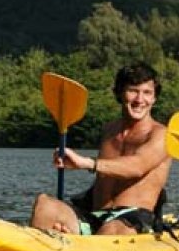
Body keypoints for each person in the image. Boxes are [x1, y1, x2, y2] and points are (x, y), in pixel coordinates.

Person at [30, 62, 171, 236]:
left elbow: (137, 166)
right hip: (94, 217)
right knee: (45, 205)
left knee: (111, 229)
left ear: (155, 98)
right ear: (119, 93)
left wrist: (86, 163)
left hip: (132, 219)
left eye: (147, 93)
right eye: (133, 90)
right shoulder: (108, 130)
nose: (139, 100)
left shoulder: (162, 135)